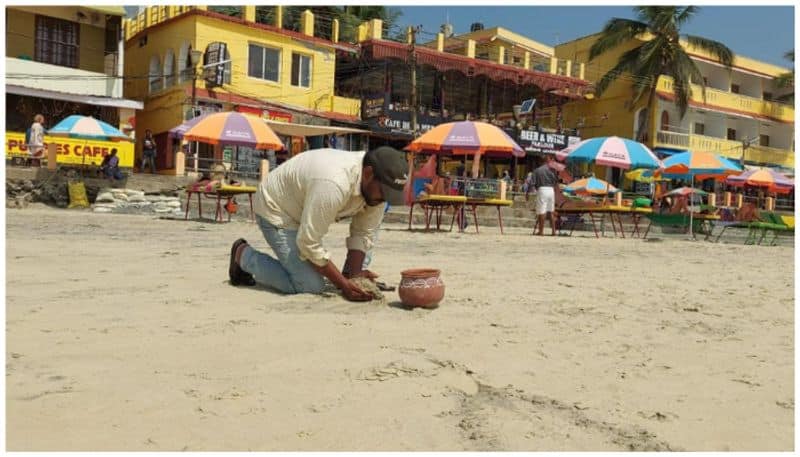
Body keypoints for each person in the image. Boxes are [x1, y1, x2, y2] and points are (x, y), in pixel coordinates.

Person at [228, 146, 408, 302]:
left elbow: (364, 233)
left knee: (366, 244)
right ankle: (243, 255)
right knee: (309, 285)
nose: (385, 199)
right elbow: (308, 243)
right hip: (277, 208)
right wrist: (343, 285)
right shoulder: (334, 182)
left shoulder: (377, 188)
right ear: (368, 174)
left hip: (305, 205)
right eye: (384, 193)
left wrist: (354, 278)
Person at [532, 154, 559, 236]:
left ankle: (541, 231)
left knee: (542, 211)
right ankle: (553, 231)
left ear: (540, 161)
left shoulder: (537, 170)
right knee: (551, 211)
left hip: (542, 189)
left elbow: (533, 183)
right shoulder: (552, 170)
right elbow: (556, 182)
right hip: (551, 190)